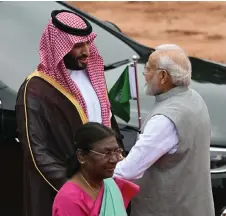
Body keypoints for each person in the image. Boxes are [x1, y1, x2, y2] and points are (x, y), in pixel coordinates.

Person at [15, 10, 123, 216]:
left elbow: (109, 127)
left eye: (87, 43)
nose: (86, 52)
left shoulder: (94, 78)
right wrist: (77, 190)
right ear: (59, 47)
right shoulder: (36, 89)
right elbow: (37, 153)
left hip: (100, 191)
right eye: (77, 46)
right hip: (61, 195)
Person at [114, 44, 215, 216]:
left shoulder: (165, 119)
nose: (144, 74)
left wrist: (91, 175)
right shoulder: (194, 98)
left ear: (162, 76)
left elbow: (128, 171)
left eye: (147, 69)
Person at [52, 122, 139, 216]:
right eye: (107, 153)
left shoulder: (110, 185)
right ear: (81, 156)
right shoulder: (69, 200)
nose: (114, 159)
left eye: (117, 151)